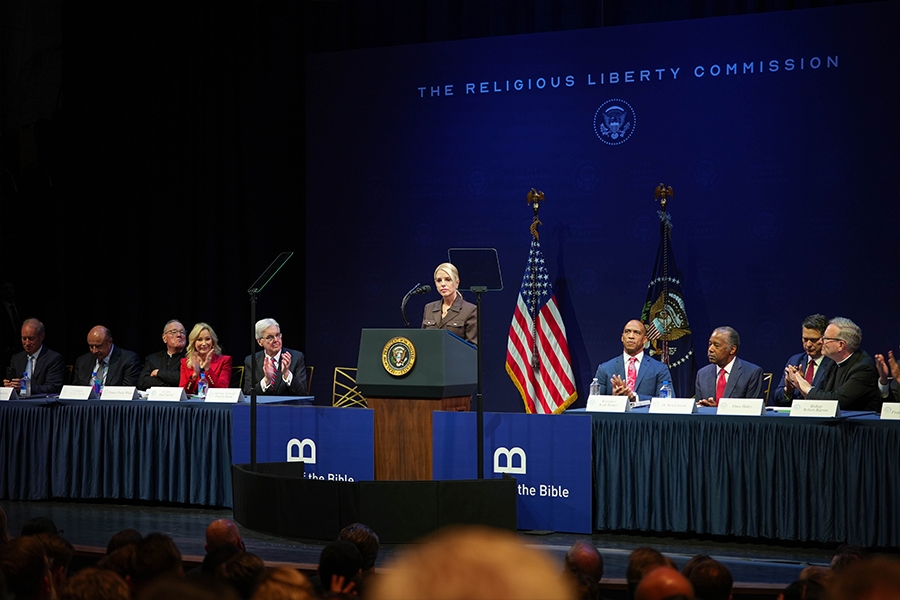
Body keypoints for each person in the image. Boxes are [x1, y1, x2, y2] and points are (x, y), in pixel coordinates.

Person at [784, 317, 881, 411]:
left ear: (841, 345)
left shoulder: (863, 368)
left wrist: (802, 383)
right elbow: (821, 396)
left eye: (826, 338)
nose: (821, 341)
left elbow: (836, 401)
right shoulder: (833, 363)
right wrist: (799, 385)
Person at [595, 320, 674, 401]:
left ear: (644, 339)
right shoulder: (605, 369)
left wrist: (635, 397)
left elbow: (667, 402)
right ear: (622, 338)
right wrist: (614, 399)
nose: (631, 336)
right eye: (627, 332)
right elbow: (594, 403)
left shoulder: (660, 369)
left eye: (636, 332)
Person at [772, 314, 836, 406]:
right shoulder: (795, 360)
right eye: (805, 339)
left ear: (824, 339)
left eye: (813, 340)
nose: (808, 344)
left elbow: (832, 398)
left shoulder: (833, 363)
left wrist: (802, 385)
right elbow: (777, 398)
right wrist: (788, 390)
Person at [696, 326, 764, 406]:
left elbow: (752, 410)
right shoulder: (702, 374)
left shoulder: (752, 373)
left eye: (716, 345)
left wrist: (717, 410)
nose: (710, 349)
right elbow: (698, 410)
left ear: (732, 349)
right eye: (710, 344)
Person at [242, 318, 308, 396]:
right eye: (270, 337)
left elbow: (303, 393)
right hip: (262, 407)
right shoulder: (251, 361)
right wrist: (266, 381)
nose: (276, 340)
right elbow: (247, 393)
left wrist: (287, 374)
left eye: (278, 335)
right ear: (260, 342)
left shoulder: (296, 357)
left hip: (288, 407)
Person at [3, 318, 65, 395]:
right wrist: (10, 385)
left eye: (31, 339)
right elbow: (14, 385)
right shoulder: (16, 359)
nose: (27, 343)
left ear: (42, 336)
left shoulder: (53, 358)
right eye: (24, 339)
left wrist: (25, 387)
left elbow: (53, 387)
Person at [422, 262, 477, 344]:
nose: (443, 284)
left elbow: (472, 347)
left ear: (457, 282)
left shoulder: (470, 310)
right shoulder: (429, 308)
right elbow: (422, 340)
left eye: (448, 279)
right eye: (439, 280)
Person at [72, 325, 141, 388]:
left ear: (109, 342)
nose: (94, 350)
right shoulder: (82, 361)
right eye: (91, 346)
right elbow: (76, 389)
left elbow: (126, 391)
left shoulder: (128, 360)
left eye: (98, 346)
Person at [179, 322, 233, 394]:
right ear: (193, 342)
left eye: (207, 339)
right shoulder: (185, 362)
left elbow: (222, 390)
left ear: (213, 342)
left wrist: (208, 370)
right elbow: (183, 393)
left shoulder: (225, 361)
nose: (204, 343)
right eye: (199, 339)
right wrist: (194, 375)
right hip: (193, 404)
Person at [139, 320, 188, 390]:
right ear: (164, 338)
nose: (179, 335)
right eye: (174, 332)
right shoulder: (152, 359)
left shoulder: (191, 357)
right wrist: (169, 383)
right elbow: (142, 382)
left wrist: (158, 373)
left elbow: (183, 378)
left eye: (182, 332)